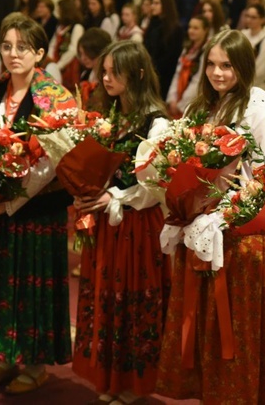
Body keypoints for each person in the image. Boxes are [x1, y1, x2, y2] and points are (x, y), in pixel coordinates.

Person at [0, 12, 76, 394]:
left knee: (30, 285)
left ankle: (35, 363)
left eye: (22, 47)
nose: (13, 54)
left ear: (40, 52)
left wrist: (6, 205)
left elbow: (52, 163)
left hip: (34, 211)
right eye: (6, 46)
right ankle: (4, 355)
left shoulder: (55, 97)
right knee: (1, 283)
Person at [156, 29, 265, 404]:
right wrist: (184, 207)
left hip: (237, 238)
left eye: (227, 65)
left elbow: (264, 183)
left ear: (243, 66)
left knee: (233, 335)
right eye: (211, 64)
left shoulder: (259, 112)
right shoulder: (200, 109)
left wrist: (220, 217)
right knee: (202, 330)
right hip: (198, 231)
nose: (217, 73)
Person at [71, 40, 171, 404]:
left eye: (115, 72)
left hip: (137, 226)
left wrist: (113, 196)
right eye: (105, 72)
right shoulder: (109, 116)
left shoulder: (157, 123)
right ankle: (111, 379)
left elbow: (154, 186)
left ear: (139, 74)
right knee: (106, 297)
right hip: (106, 225)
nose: (107, 78)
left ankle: (133, 382)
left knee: (132, 300)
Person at [143, 0, 184, 100]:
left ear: (165, 5)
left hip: (165, 75)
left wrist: (154, 68)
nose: (152, 6)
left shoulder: (175, 28)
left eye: (156, 3)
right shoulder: (153, 23)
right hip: (150, 71)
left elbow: (172, 55)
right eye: (152, 3)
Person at [166, 15, 209, 118]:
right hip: (178, 96)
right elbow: (177, 74)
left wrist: (181, 104)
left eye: (196, 28)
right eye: (190, 27)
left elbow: (198, 80)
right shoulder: (187, 49)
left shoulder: (206, 51)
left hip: (192, 100)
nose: (191, 31)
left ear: (205, 30)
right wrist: (172, 98)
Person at [47, 0, 84, 91]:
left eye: (59, 9)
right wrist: (50, 60)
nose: (57, 12)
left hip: (68, 65)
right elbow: (53, 44)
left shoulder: (77, 27)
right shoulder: (60, 26)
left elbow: (73, 49)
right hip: (55, 61)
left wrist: (60, 64)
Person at [240, 3, 265, 94]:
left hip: (259, 87)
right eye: (247, 16)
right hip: (241, 83)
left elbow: (261, 71)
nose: (249, 20)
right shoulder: (243, 35)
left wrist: (244, 84)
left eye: (253, 17)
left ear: (262, 19)